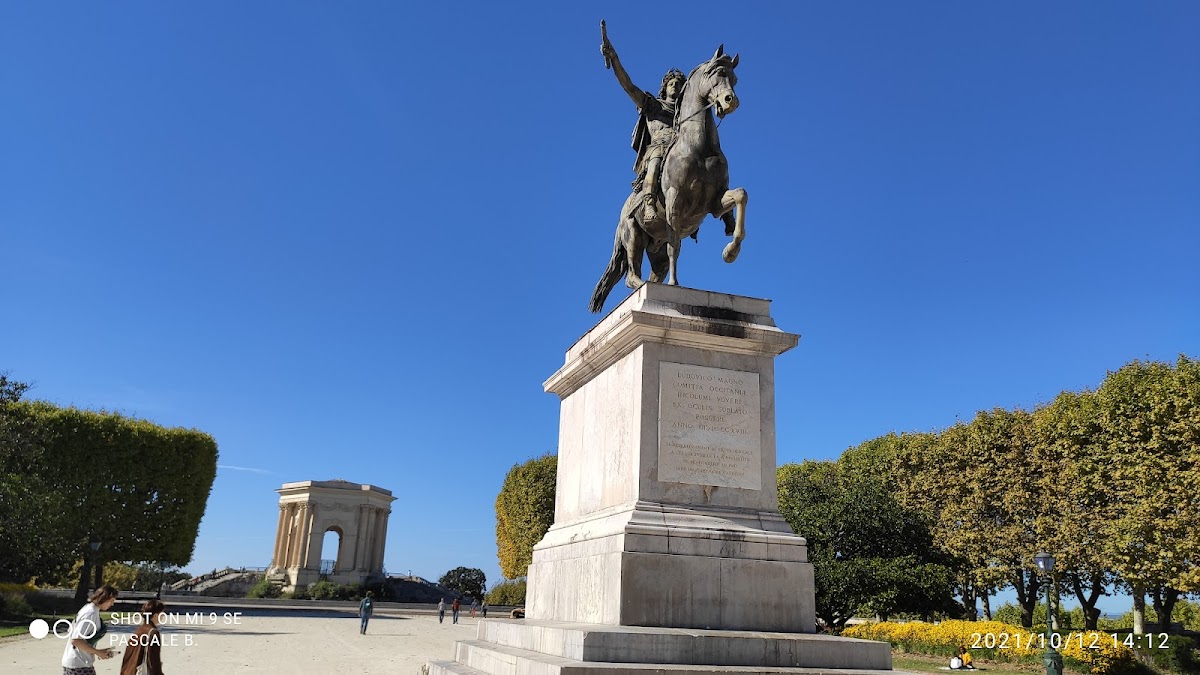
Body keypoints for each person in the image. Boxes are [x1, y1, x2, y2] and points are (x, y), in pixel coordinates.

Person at [600, 31, 686, 225]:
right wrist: (614, 59)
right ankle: (649, 203)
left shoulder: (685, 113)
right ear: (664, 88)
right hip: (659, 146)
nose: (675, 86)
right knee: (656, 160)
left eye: (678, 84)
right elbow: (629, 87)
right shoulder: (653, 105)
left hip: (680, 148)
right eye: (671, 83)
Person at [62, 584, 118, 675]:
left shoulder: (90, 610)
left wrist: (100, 652)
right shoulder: (90, 613)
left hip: (78, 663)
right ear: (104, 598)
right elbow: (76, 640)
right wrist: (98, 652)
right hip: (79, 664)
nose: (112, 604)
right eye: (111, 601)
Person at [119, 599, 166, 675]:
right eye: (162, 613)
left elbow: (127, 656)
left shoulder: (139, 630)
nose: (163, 615)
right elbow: (153, 661)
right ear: (155, 615)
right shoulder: (153, 633)